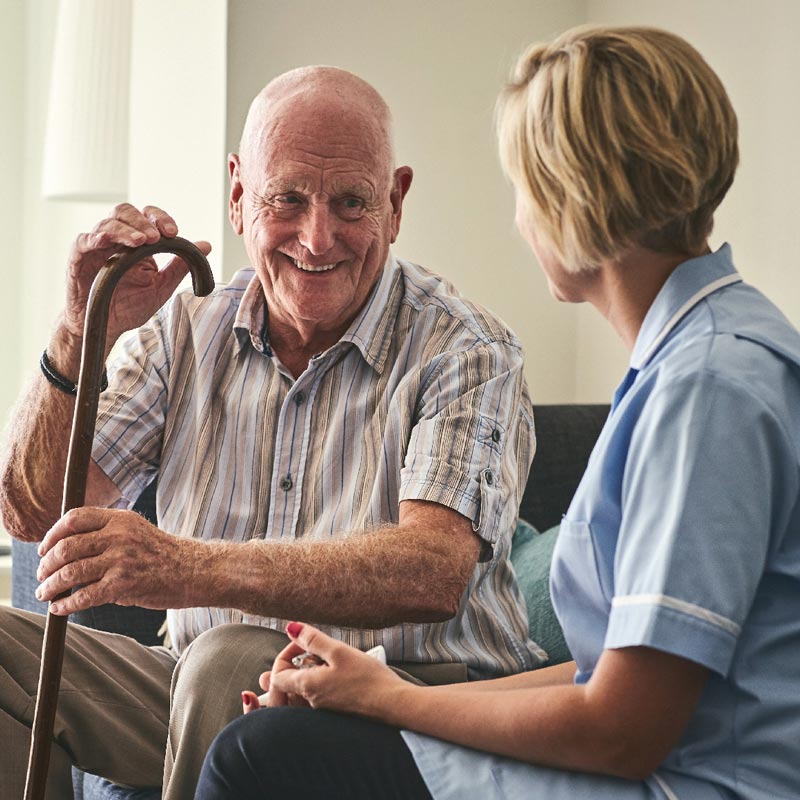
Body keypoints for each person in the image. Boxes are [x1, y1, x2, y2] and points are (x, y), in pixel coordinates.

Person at [195, 25, 800, 800]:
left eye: (521, 187)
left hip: (690, 786)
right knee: (292, 736)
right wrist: (377, 697)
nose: (519, 219)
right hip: (666, 763)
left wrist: (401, 702)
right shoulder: (701, 355)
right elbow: (603, 680)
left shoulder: (707, 389)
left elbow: (623, 730)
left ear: (568, 196)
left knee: (263, 758)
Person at [0, 67, 541, 798]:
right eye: (287, 199)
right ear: (236, 196)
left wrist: (186, 568)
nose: (318, 239)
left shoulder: (468, 351)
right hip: (202, 691)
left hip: (411, 704)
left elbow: (432, 570)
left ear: (396, 201)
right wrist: (77, 329)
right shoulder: (184, 337)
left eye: (351, 202)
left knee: (226, 659)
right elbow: (32, 512)